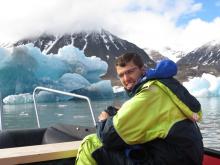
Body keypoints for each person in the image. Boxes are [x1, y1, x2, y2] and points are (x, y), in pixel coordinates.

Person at [75, 52, 203, 165]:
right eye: (121, 75)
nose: (126, 79)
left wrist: (103, 121)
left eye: (130, 72)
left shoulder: (150, 93)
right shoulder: (161, 86)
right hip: (182, 158)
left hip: (171, 160)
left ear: (142, 69)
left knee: (90, 144)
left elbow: (108, 137)